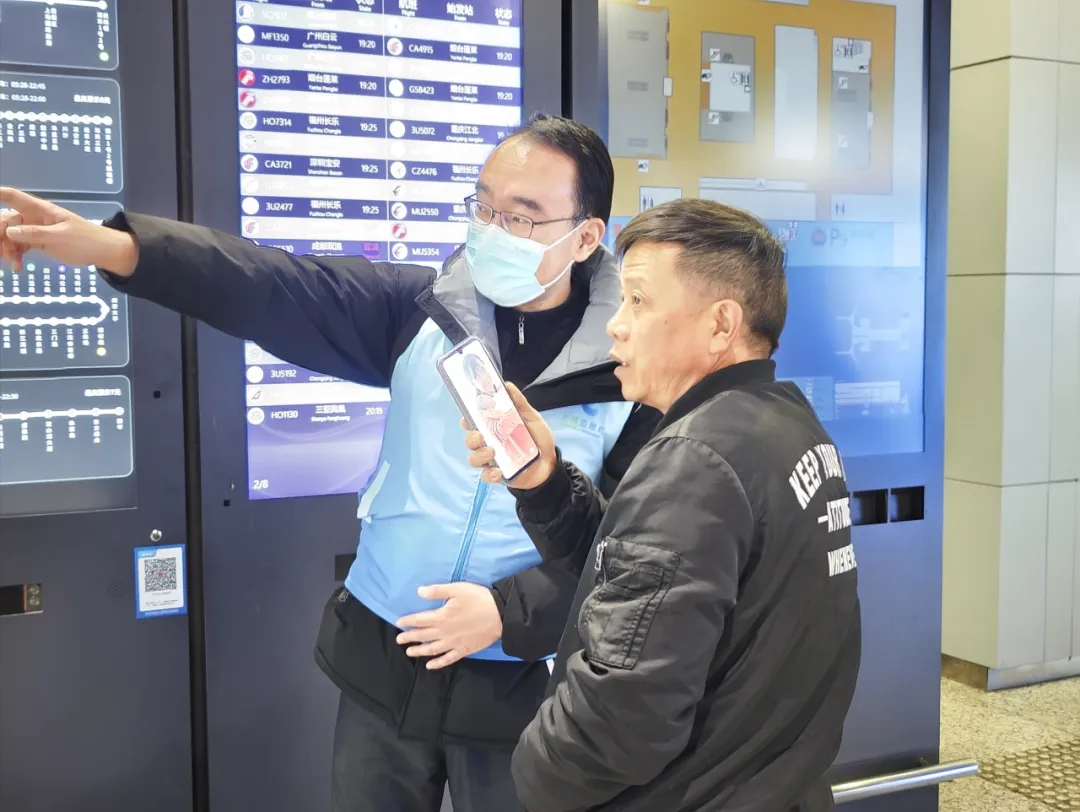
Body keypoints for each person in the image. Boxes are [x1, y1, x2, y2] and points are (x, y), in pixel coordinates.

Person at [0, 114, 660, 811]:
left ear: (585, 236)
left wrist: (509, 613)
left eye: (521, 217)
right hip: (386, 655)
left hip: (525, 681)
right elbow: (271, 284)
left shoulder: (632, 370)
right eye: (483, 206)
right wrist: (116, 247)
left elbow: (629, 548)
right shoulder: (422, 311)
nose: (493, 230)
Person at [463, 198, 862, 811]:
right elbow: (648, 581)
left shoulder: (694, 459)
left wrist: (536, 772)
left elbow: (620, 719)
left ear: (721, 325)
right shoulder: (786, 427)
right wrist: (544, 481)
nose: (616, 325)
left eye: (638, 301)